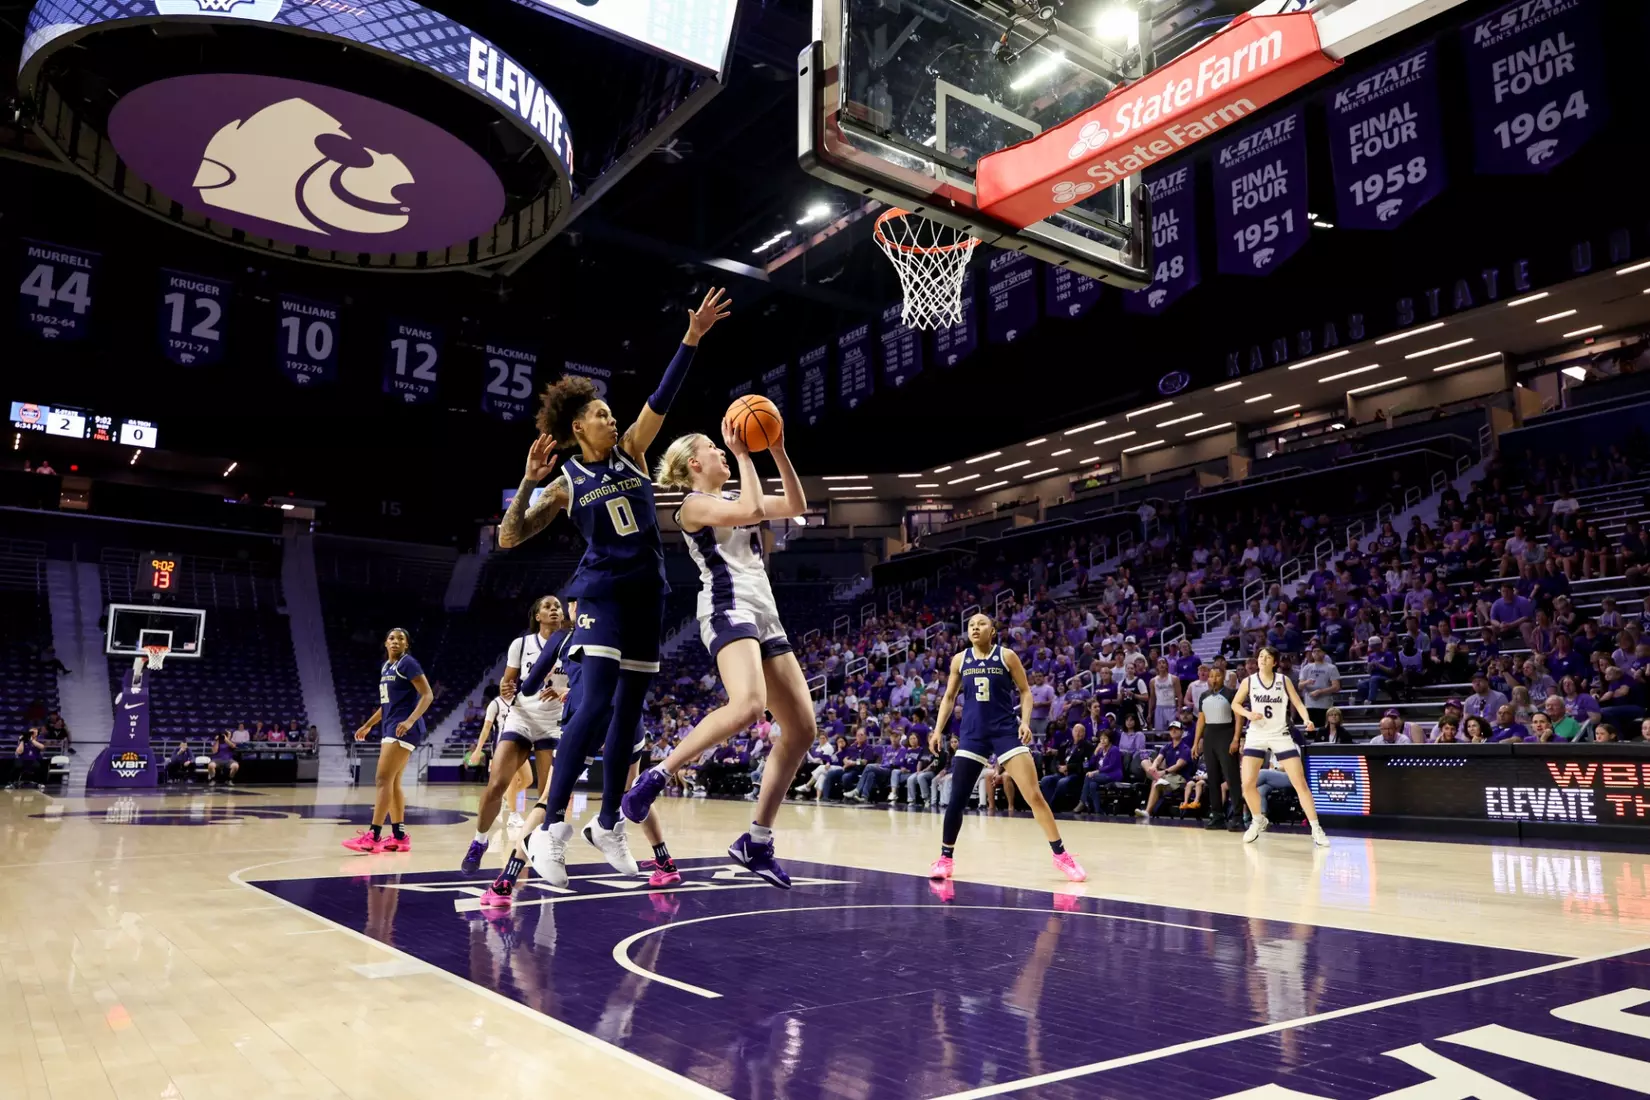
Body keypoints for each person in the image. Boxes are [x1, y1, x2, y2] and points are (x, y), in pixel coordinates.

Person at [485, 288, 730, 899]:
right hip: (599, 597)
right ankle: (549, 825)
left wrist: (691, 337)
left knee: (628, 718)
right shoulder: (566, 481)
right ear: (577, 427)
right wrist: (526, 480)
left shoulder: (634, 453)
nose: (611, 417)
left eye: (609, 412)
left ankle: (607, 821)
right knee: (592, 707)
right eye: (599, 413)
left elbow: (662, 399)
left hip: (650, 595)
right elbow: (510, 538)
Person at [621, 414, 816, 886]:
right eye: (714, 446)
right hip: (728, 607)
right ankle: (658, 775)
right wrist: (749, 454)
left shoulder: (731, 497)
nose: (723, 450)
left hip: (765, 614)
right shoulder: (692, 505)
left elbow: (795, 502)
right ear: (694, 462)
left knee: (802, 730)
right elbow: (752, 510)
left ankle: (757, 840)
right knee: (748, 705)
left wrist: (777, 448)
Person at [926, 614, 1085, 883]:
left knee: (1034, 795)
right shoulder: (959, 660)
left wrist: (1025, 721)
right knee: (957, 799)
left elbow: (1025, 692)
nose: (976, 628)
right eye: (971, 625)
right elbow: (949, 697)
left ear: (993, 631)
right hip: (973, 734)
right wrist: (938, 730)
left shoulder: (1007, 656)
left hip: (1005, 731)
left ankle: (1061, 855)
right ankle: (945, 858)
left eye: (982, 624)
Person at [461, 596, 564, 873]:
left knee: (547, 796)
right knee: (496, 784)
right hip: (521, 718)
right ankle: (479, 841)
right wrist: (505, 689)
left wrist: (565, 692)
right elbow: (507, 682)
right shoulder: (521, 644)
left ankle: (536, 846)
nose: (555, 609)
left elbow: (583, 683)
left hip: (554, 723)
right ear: (537, 615)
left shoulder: (572, 644)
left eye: (558, 606)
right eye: (548, 606)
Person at [343, 628, 433, 853]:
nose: (395, 641)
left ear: (406, 645)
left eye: (401, 639)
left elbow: (427, 694)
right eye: (391, 638)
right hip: (391, 725)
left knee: (382, 778)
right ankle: (399, 836)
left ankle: (373, 835)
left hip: (403, 728)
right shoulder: (386, 667)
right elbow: (386, 706)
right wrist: (368, 725)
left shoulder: (407, 663)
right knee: (392, 783)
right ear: (385, 643)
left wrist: (411, 721)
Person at [1231, 645, 1330, 847]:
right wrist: (1249, 714)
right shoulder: (1249, 681)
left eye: (1267, 657)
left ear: (1275, 662)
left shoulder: (1283, 681)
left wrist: (1307, 719)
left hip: (1279, 734)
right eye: (1260, 656)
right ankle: (1258, 819)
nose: (1262, 659)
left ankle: (1316, 828)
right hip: (1257, 734)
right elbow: (1235, 704)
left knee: (1300, 783)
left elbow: (1299, 703)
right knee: (1247, 784)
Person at [1193, 665, 1242, 831]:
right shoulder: (1204, 696)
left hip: (1226, 734)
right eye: (1211, 676)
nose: (1214, 679)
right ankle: (1217, 815)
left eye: (1217, 676)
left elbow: (1239, 718)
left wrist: (1236, 739)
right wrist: (1196, 742)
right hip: (1209, 736)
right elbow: (1201, 720)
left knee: (1232, 777)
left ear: (1224, 678)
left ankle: (1237, 817)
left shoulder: (1231, 694)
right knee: (1212, 778)